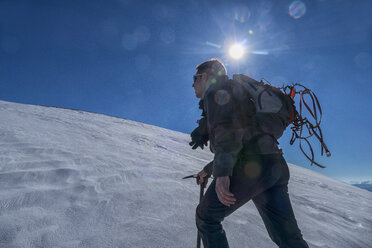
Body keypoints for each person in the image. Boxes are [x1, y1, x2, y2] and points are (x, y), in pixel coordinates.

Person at [190, 58, 309, 248]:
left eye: (194, 79)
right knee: (289, 238)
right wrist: (208, 169)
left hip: (250, 168)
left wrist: (222, 174)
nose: (193, 84)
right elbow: (243, 139)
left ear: (204, 76)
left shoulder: (216, 90)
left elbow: (228, 132)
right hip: (273, 166)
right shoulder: (238, 92)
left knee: (206, 218)